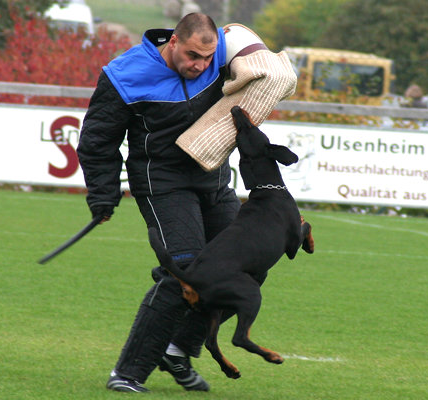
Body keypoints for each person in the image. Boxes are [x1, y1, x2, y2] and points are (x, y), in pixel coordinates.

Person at [77, 13, 278, 393]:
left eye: (207, 58)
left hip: (215, 178)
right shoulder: (126, 74)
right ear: (172, 42)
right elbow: (98, 140)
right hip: (163, 183)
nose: (200, 66)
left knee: (247, 270)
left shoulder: (224, 52)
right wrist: (103, 194)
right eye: (191, 56)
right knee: (185, 273)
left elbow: (264, 70)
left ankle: (177, 348)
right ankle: (129, 372)